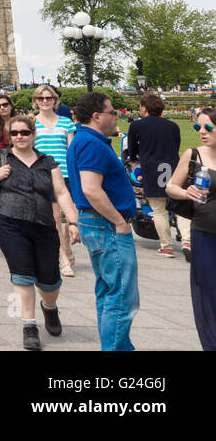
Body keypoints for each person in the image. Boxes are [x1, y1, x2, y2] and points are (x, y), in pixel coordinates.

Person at [0, 113, 80, 350]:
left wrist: (73, 222)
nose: (19, 137)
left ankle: (50, 308)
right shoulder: (0, 157)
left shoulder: (47, 161)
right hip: (10, 223)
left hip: (43, 225)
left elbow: (62, 193)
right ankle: (29, 326)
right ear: (9, 136)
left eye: (24, 132)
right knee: (22, 274)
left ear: (33, 135)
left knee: (50, 281)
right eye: (14, 133)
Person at [66, 91, 139, 352]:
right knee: (121, 295)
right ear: (97, 117)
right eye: (112, 112)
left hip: (97, 223)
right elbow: (91, 189)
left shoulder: (85, 139)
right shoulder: (92, 143)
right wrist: (119, 222)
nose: (115, 116)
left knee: (109, 290)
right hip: (105, 224)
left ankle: (115, 346)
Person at [165, 107, 216, 348]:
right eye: (198, 127)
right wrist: (186, 192)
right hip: (204, 232)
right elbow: (171, 187)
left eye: (208, 127)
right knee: (207, 290)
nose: (202, 132)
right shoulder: (194, 154)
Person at [126, 93, 184, 258]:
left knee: (158, 210)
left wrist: (136, 157)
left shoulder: (137, 126)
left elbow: (132, 152)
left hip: (152, 169)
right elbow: (176, 147)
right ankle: (187, 241)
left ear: (144, 108)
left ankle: (166, 245)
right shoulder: (173, 126)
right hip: (173, 169)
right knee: (179, 209)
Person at [29, 85, 78, 276]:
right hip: (43, 174)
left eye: (48, 98)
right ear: (36, 101)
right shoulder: (32, 122)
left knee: (69, 217)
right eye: (41, 98)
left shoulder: (66, 123)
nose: (45, 101)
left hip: (65, 173)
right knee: (56, 218)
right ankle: (64, 260)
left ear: (55, 100)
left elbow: (71, 150)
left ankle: (66, 248)